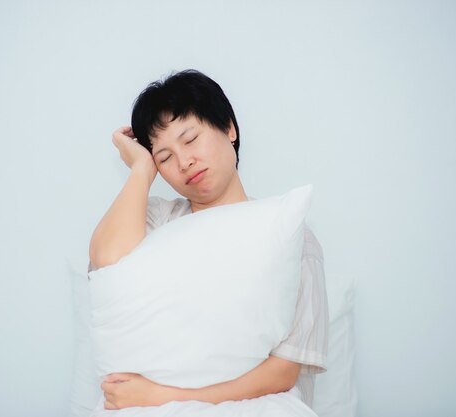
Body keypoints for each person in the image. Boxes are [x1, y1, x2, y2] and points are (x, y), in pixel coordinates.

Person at [88, 69, 328, 411]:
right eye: (165, 158)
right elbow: (105, 263)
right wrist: (141, 169)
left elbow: (283, 373)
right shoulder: (155, 220)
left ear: (229, 128)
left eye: (190, 140)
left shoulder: (287, 233)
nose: (184, 162)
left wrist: (165, 397)